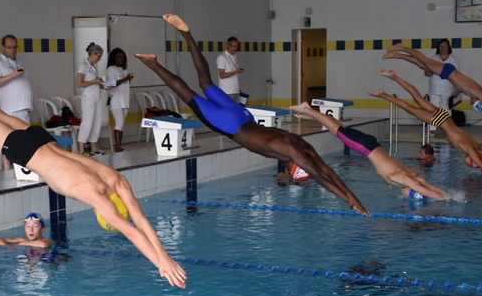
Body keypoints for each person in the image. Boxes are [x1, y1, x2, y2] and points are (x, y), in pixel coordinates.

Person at [0, 74, 187, 288]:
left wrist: (165, 255)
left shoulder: (117, 180)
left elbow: (140, 221)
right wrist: (160, 263)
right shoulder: (95, 197)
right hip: (27, 152)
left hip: (42, 139)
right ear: (103, 212)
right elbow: (131, 231)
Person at [134, 14, 368, 215]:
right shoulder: (291, 152)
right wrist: (347, 200)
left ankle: (187, 35)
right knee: (188, 94)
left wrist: (352, 196)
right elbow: (319, 175)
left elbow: (325, 169)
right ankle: (152, 64)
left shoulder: (299, 143)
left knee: (205, 82)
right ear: (293, 168)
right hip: (229, 125)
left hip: (242, 114)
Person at [290, 102, 450, 200]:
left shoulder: (413, 175)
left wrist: (449, 196)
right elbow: (426, 190)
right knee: (336, 129)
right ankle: (308, 109)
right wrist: (443, 200)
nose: (405, 193)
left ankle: (315, 116)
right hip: (364, 147)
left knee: (339, 128)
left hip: (372, 144)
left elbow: (429, 186)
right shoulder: (404, 178)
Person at [369, 69, 482, 172]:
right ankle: (383, 94)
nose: (467, 163)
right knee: (410, 109)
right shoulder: (467, 148)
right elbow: (476, 156)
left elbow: (480, 152)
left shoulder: (475, 146)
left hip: (445, 117)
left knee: (418, 98)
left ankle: (394, 76)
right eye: (470, 163)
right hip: (440, 121)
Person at [383, 43, 482, 127]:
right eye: (474, 104)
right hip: (448, 72)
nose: (471, 103)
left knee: (423, 65)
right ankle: (401, 48)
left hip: (448, 74)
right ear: (478, 100)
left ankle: (397, 55)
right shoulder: (480, 94)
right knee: (423, 60)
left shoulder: (475, 93)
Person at [0, 35, 33, 170]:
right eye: (9, 47)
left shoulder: (19, 61)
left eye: (15, 47)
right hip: (9, 109)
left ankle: (21, 166)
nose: (13, 50)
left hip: (22, 107)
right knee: (8, 139)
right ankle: (7, 167)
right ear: (3, 47)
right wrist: (13, 75)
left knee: (25, 139)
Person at [76, 43, 105, 156]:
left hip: (97, 95)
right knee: (87, 122)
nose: (100, 58)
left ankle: (94, 148)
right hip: (88, 97)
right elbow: (79, 84)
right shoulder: (83, 66)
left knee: (97, 121)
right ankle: (81, 150)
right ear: (93, 54)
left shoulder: (95, 66)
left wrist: (103, 85)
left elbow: (95, 83)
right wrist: (94, 82)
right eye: (99, 56)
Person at [105, 48, 134, 153]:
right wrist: (126, 78)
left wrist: (128, 78)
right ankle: (117, 147)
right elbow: (111, 84)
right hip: (115, 99)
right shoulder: (110, 69)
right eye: (118, 57)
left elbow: (125, 85)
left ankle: (119, 146)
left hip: (124, 100)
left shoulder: (124, 70)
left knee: (121, 124)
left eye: (122, 57)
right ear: (113, 58)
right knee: (119, 123)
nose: (120, 59)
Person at [426, 39, 460, 111]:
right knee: (434, 112)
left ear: (448, 47)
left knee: (446, 112)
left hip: (447, 91)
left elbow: (457, 77)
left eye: (444, 46)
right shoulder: (433, 59)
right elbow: (426, 74)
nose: (442, 48)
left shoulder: (454, 60)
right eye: (440, 46)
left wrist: (457, 89)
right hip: (434, 91)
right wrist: (431, 70)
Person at [216, 36, 244, 101]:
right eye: (233, 46)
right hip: (226, 91)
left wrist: (237, 89)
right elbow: (222, 75)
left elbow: (234, 76)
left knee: (236, 107)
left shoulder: (234, 56)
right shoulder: (222, 57)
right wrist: (235, 72)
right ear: (228, 45)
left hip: (235, 90)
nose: (235, 48)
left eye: (237, 46)